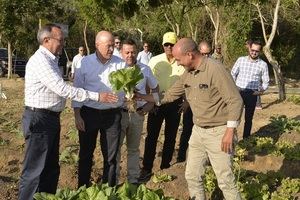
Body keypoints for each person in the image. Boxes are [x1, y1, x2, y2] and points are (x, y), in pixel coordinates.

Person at [18, 24, 118, 200]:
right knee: (34, 171)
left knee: (50, 168)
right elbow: (63, 89)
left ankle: (46, 197)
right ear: (46, 40)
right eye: (60, 40)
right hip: (39, 119)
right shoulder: (40, 60)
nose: (63, 43)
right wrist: (97, 96)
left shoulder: (51, 60)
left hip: (50, 119)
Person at [136, 37, 243, 200]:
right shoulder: (188, 74)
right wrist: (143, 97)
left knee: (225, 181)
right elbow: (170, 95)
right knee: (192, 176)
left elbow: (235, 100)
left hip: (219, 133)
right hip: (198, 132)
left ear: (190, 55)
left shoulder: (215, 69)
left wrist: (230, 131)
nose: (177, 63)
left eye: (179, 59)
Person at [72, 31, 126, 188]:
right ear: (97, 45)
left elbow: (127, 89)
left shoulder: (120, 63)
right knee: (86, 154)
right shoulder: (85, 63)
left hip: (112, 115)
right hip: (89, 113)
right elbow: (77, 90)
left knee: (111, 156)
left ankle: (108, 189)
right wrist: (77, 115)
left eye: (113, 45)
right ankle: (82, 187)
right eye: (108, 46)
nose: (111, 49)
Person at [138, 32, 185, 182]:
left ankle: (165, 166)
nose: (169, 47)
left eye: (172, 44)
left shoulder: (182, 61)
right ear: (163, 45)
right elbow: (147, 82)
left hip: (175, 104)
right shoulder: (154, 60)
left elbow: (188, 83)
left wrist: (186, 102)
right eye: (167, 44)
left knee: (170, 137)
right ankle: (146, 168)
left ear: (176, 45)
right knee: (152, 136)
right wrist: (148, 103)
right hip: (157, 103)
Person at [117, 38, 158, 184]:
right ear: (121, 53)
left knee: (133, 149)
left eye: (133, 52)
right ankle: (113, 180)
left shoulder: (145, 69)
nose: (130, 55)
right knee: (116, 149)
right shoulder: (116, 68)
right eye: (127, 52)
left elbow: (155, 88)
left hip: (137, 113)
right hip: (119, 114)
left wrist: (149, 105)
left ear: (137, 53)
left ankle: (133, 179)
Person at [231, 40, 269, 139]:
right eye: (252, 50)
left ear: (259, 52)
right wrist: (233, 87)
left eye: (257, 51)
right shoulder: (241, 60)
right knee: (234, 117)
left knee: (248, 119)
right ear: (249, 49)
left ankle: (245, 140)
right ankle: (232, 139)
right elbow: (233, 74)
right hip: (238, 91)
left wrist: (260, 91)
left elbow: (266, 81)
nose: (254, 52)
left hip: (252, 94)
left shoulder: (263, 64)